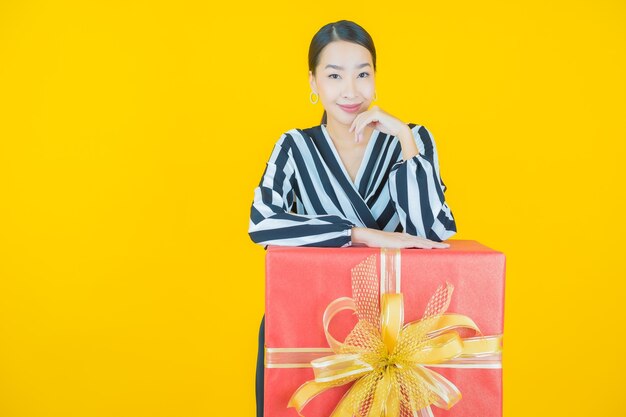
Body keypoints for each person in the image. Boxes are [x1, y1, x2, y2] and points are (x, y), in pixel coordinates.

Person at [248, 20, 457, 417]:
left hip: (398, 331)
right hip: (307, 320)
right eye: (334, 75)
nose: (350, 90)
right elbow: (262, 223)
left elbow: (432, 233)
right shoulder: (294, 147)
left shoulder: (412, 139)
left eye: (363, 74)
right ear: (313, 83)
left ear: (376, 78)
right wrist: (361, 234)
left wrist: (405, 141)